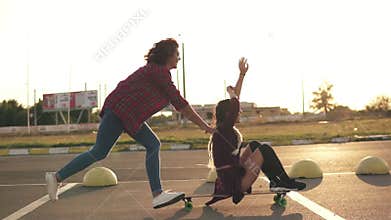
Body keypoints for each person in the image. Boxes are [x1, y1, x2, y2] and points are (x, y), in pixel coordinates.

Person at [45, 38, 215, 209]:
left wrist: (203, 125)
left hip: (129, 116)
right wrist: (205, 126)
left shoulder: (156, 72)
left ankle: (157, 194)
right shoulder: (158, 72)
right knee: (99, 151)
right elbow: (180, 103)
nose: (179, 58)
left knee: (152, 144)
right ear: (168, 55)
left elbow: (177, 103)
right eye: (177, 54)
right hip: (119, 112)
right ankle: (57, 177)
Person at [206, 57, 306, 205]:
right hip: (235, 183)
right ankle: (282, 181)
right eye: (237, 111)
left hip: (234, 174)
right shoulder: (224, 129)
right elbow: (234, 105)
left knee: (254, 145)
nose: (240, 113)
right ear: (229, 114)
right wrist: (230, 92)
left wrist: (241, 75)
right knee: (264, 149)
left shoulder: (223, 128)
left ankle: (278, 181)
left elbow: (235, 103)